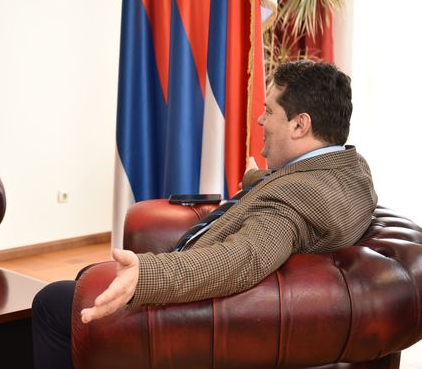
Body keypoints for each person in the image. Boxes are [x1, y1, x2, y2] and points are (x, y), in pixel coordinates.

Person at [31, 61, 378, 368]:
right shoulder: (349, 171)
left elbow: (243, 258)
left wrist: (145, 275)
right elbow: (290, 188)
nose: (260, 119)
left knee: (53, 301)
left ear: (300, 125)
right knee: (85, 278)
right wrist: (256, 178)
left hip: (195, 316)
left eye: (269, 111)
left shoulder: (294, 199)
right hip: (229, 307)